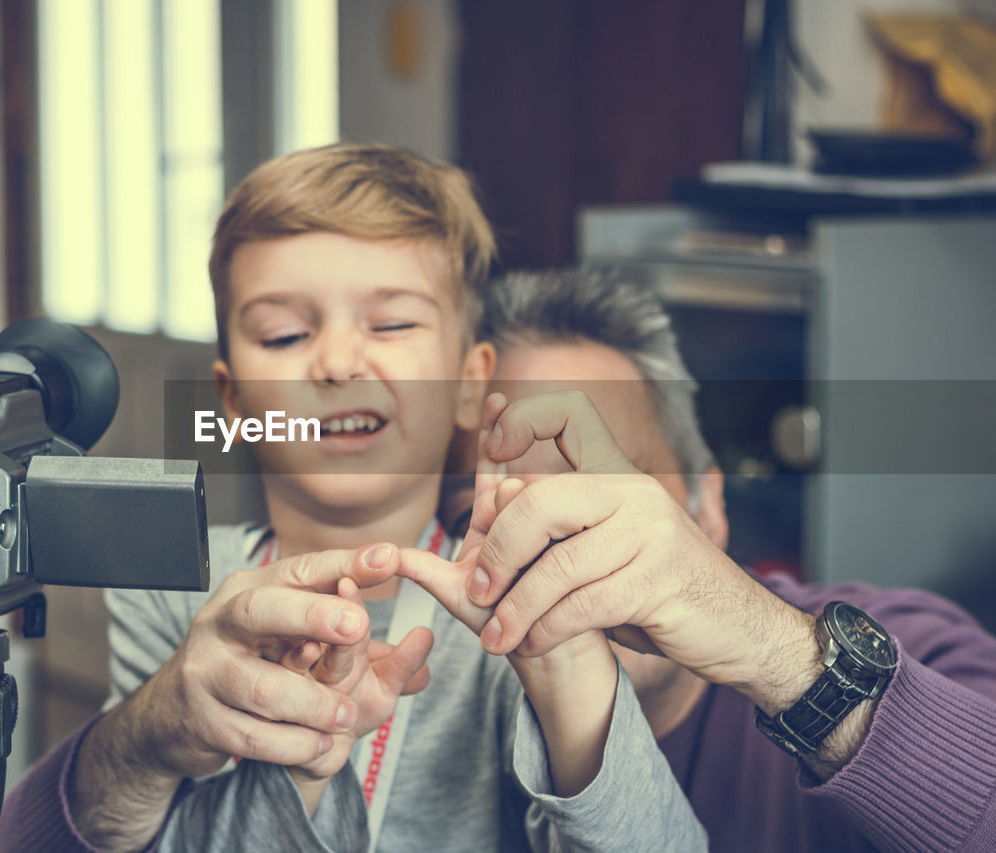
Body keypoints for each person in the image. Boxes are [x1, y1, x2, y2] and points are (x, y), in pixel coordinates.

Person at [0, 145, 706, 852]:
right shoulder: (175, 590)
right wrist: (282, 762)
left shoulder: (515, 605)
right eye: (285, 334)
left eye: (391, 323)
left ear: (467, 383)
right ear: (234, 398)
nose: (335, 363)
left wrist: (569, 666)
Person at [404, 267, 996, 852]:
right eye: (488, 517)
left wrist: (783, 660)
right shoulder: (417, 727)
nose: (549, 552)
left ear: (707, 505)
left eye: (599, 492)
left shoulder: (915, 650)